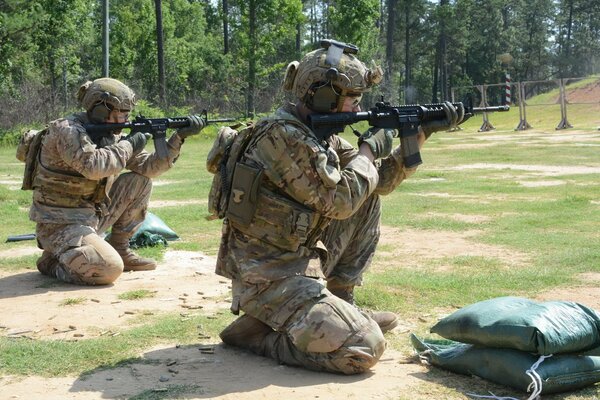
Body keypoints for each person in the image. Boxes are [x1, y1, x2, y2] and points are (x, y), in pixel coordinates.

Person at [208, 40, 463, 374]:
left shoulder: (318, 136)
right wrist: (368, 150)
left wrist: (420, 133)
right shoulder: (283, 138)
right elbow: (340, 201)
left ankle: (341, 301)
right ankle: (257, 337)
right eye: (352, 101)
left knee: (367, 193)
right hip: (268, 279)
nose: (356, 110)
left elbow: (378, 181)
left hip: (297, 265)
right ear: (322, 95)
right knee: (364, 348)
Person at [23, 77, 204, 285]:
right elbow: (93, 166)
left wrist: (178, 138)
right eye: (118, 115)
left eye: (125, 115)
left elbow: (149, 167)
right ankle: (52, 263)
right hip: (59, 223)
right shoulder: (67, 130)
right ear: (99, 111)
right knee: (109, 270)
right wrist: (129, 144)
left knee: (139, 181)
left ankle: (119, 246)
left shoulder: (111, 135)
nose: (122, 122)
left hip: (91, 216)